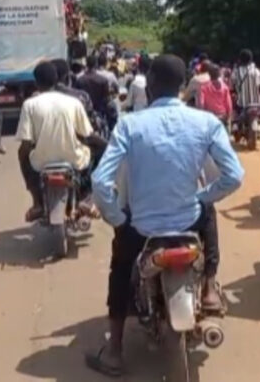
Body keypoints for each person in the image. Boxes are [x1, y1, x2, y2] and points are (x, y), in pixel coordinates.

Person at [87, 54, 244, 377]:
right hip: (188, 221)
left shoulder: (130, 124)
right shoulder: (206, 122)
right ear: (183, 85)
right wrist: (201, 198)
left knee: (120, 270)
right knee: (207, 209)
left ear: (152, 83)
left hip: (141, 227)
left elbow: (101, 181)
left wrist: (118, 219)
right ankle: (211, 285)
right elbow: (234, 176)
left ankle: (115, 351)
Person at [17, 62, 106, 222]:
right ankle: (87, 198)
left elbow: (26, 143)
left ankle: (37, 202)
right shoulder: (74, 102)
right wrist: (104, 145)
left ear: (36, 82)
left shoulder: (29, 105)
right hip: (73, 159)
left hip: (41, 162)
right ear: (58, 79)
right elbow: (86, 135)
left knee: (21, 153)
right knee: (101, 151)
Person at [76, 54, 117, 132]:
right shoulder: (103, 80)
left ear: (86, 64)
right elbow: (106, 98)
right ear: (96, 64)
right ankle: (112, 131)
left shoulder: (79, 79)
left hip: (84, 111)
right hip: (99, 111)